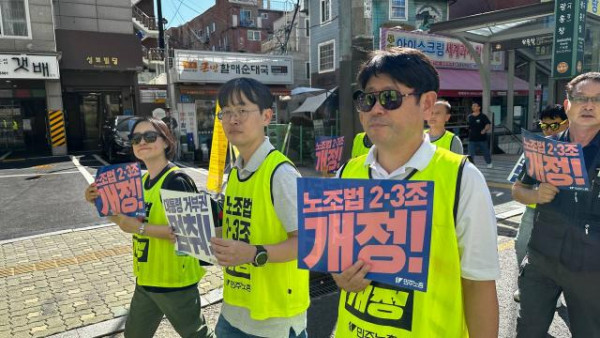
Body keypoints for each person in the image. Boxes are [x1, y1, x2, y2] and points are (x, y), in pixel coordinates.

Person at [333, 47, 500, 337]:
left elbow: (479, 284)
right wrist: (341, 275)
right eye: (367, 99)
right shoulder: (346, 173)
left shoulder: (462, 178)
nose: (376, 109)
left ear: (427, 104)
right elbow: (336, 257)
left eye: (390, 97)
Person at [84, 118, 213, 338]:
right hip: (146, 280)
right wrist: (97, 201)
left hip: (175, 282)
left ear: (166, 142)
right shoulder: (140, 182)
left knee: (197, 335)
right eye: (136, 138)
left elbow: (193, 237)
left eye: (150, 136)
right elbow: (128, 222)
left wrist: (140, 229)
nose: (142, 141)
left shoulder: (177, 180)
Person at [209, 77, 310, 337]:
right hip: (233, 310)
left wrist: (254, 254)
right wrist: (203, 237)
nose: (233, 119)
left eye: (242, 110)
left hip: (273, 320)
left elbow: (307, 243)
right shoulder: (235, 171)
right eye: (226, 112)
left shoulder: (281, 173)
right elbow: (242, 232)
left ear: (267, 116)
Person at [514, 72, 600, 338]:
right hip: (542, 257)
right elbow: (518, 189)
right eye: (581, 98)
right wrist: (536, 195)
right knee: (529, 329)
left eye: (597, 100)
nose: (589, 105)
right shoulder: (543, 147)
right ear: (567, 105)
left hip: (592, 266)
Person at [512, 104, 568, 303]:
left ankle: (560, 293)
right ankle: (526, 286)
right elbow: (517, 188)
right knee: (521, 247)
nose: (548, 131)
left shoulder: (585, 148)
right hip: (534, 212)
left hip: (572, 217)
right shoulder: (537, 148)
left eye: (554, 126)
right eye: (543, 126)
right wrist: (536, 195)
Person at [467, 100, 493, 168]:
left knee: (486, 152)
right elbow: (469, 127)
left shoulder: (483, 116)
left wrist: (484, 130)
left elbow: (488, 124)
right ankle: (471, 166)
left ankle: (489, 163)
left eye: (475, 106)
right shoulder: (469, 117)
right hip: (472, 139)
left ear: (479, 107)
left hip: (482, 139)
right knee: (470, 154)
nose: (473, 107)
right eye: (472, 106)